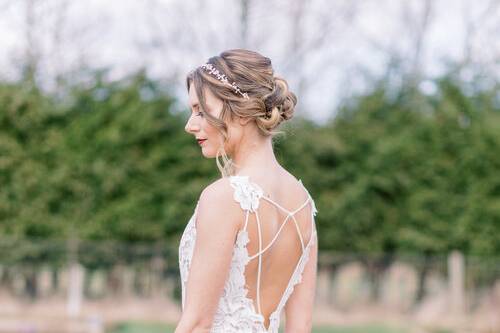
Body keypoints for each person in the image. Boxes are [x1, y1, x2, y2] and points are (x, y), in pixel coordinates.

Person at [176, 49, 318, 333]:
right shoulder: (303, 204)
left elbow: (197, 325)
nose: (190, 125)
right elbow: (301, 326)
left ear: (240, 111)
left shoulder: (223, 197)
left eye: (201, 111)